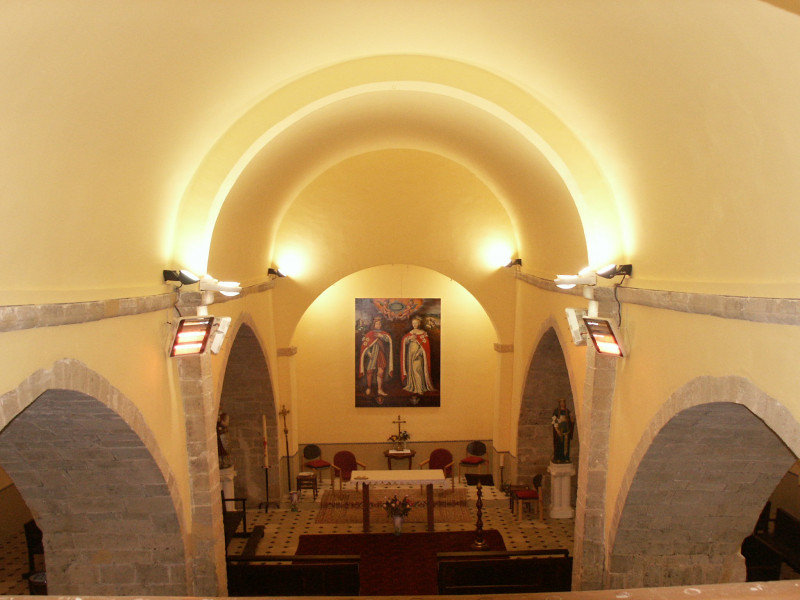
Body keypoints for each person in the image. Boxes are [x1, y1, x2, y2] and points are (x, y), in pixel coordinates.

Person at [401, 316, 436, 396]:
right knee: (412, 370)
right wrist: (409, 339)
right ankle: (412, 386)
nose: (414, 324)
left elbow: (425, 346)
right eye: (413, 323)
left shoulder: (423, 333)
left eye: (416, 323)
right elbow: (404, 341)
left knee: (418, 370)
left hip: (418, 354)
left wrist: (419, 352)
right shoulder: (411, 332)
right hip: (410, 354)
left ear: (419, 323)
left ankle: (420, 388)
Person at [358, 316, 393, 397]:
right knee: (370, 371)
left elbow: (388, 340)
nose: (378, 325)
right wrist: (368, 353)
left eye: (380, 324)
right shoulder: (370, 334)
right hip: (372, 354)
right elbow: (365, 345)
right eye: (377, 324)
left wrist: (382, 336)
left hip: (380, 353)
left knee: (380, 372)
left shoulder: (383, 333)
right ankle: (369, 387)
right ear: (374, 325)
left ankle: (380, 390)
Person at [551, 399, 575, 463]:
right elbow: (554, 420)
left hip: (566, 430)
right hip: (559, 430)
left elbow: (571, 420)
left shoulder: (567, 411)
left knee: (566, 445)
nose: (562, 403)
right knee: (559, 444)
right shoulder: (556, 411)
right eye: (561, 402)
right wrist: (557, 430)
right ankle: (558, 458)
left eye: (564, 402)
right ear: (559, 403)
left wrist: (572, 419)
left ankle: (566, 458)